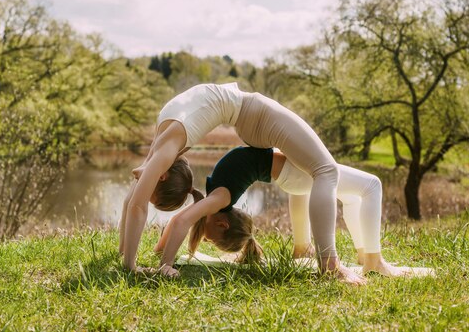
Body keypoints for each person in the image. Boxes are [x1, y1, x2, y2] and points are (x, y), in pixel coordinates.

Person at [120, 82, 354, 281]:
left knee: (326, 171)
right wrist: (125, 257)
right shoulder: (167, 142)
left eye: (150, 187)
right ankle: (324, 260)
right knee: (325, 171)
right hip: (252, 115)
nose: (145, 186)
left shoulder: (167, 147)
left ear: (162, 174)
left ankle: (327, 263)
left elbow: (136, 205)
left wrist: (139, 265)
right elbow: (133, 200)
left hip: (256, 114)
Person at [154, 146, 410, 282]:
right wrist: (164, 257)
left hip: (291, 173)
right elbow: (181, 221)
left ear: (221, 224)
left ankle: (364, 256)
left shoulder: (218, 199)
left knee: (359, 192)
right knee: (370, 185)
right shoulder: (216, 201)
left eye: (209, 240)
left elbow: (181, 220)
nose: (205, 238)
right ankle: (373, 261)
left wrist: (161, 253)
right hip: (291, 173)